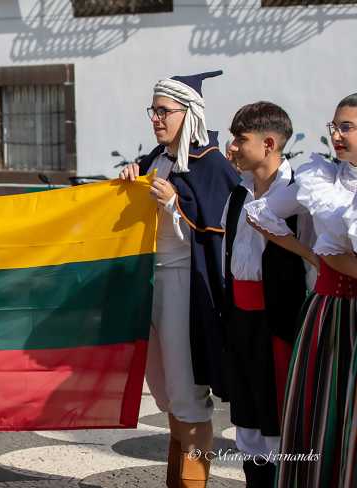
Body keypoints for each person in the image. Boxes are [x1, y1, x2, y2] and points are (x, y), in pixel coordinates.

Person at [120, 70, 239, 488]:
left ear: (190, 113)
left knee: (187, 392)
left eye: (164, 111)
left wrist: (175, 204)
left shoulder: (213, 164)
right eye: (152, 111)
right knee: (166, 390)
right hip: (151, 283)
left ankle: (193, 482)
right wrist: (131, 178)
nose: (156, 119)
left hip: (185, 286)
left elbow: (223, 232)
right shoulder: (156, 158)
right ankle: (177, 479)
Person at [244, 93, 357, 488]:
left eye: (347, 127)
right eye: (335, 126)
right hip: (330, 314)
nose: (336, 135)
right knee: (326, 411)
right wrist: (312, 254)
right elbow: (261, 213)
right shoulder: (322, 179)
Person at [222, 101, 315, 487]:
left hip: (280, 323)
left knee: (280, 421)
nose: (232, 147)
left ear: (269, 144)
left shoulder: (302, 198)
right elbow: (228, 258)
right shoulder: (238, 195)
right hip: (241, 322)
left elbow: (313, 266)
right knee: (248, 422)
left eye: (240, 139)